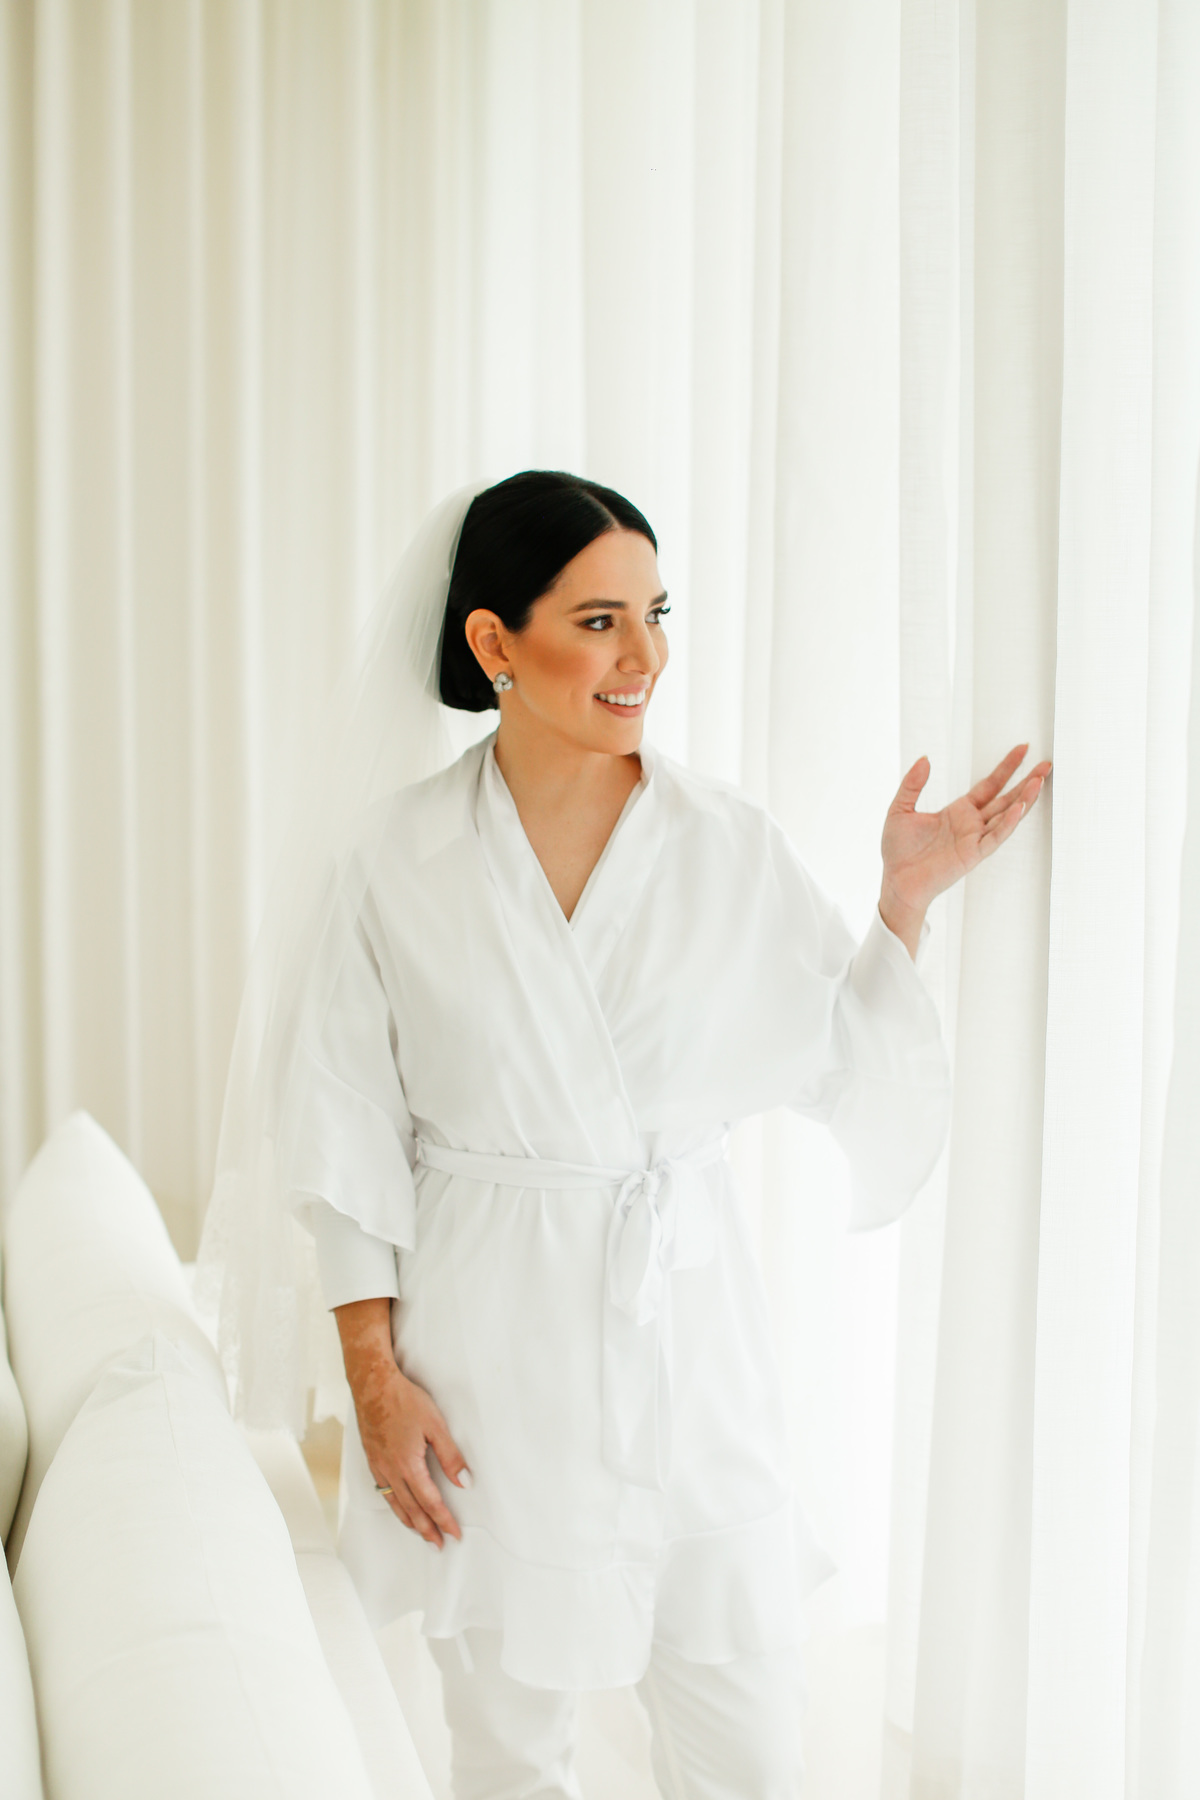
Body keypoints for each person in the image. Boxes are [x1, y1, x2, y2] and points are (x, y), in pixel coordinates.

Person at [201, 470, 1049, 1800]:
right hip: (481, 1354)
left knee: (749, 1746)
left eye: (656, 614)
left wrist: (904, 903)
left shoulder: (722, 842)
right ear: (495, 641)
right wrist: (373, 1375)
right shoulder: (393, 861)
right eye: (599, 621)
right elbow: (343, 1124)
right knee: (508, 1751)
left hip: (689, 1341)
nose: (643, 657)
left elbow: (836, 1051)